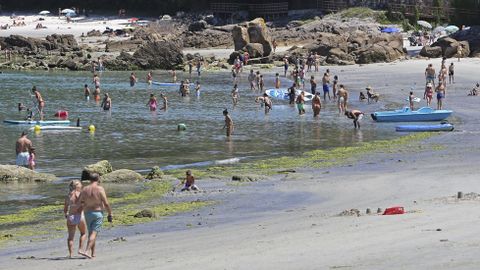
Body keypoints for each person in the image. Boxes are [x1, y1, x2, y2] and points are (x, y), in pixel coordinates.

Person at [78, 173, 112, 259]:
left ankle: (93, 253)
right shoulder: (100, 189)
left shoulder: (85, 189)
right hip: (97, 212)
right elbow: (106, 203)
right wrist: (110, 213)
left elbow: (80, 201)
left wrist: (83, 206)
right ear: (98, 179)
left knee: (91, 233)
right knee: (94, 233)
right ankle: (87, 251)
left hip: (87, 213)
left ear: (90, 180)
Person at [63, 180, 87, 258]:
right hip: (80, 216)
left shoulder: (68, 196)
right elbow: (84, 205)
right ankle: (80, 249)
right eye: (80, 184)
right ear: (78, 186)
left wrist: (66, 214)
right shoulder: (80, 194)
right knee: (83, 233)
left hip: (71, 216)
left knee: (70, 237)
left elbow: (65, 208)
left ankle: (70, 254)